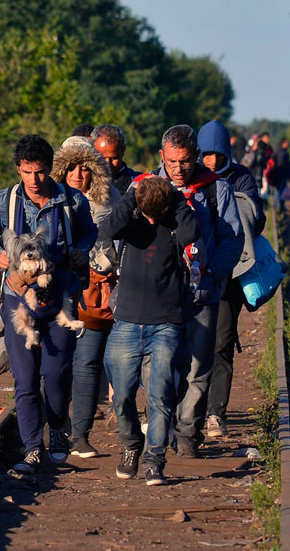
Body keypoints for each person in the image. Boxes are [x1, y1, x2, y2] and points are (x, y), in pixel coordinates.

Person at [0, 135, 97, 473]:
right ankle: (33, 447)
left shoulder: (71, 201)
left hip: (60, 298)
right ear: (19, 169)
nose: (34, 180)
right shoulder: (5, 202)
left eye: (41, 172)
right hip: (18, 303)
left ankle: (58, 431)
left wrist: (81, 250)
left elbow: (89, 233)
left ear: (50, 170)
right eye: (28, 172)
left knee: (56, 372)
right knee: (26, 379)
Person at [100, 176, 200, 485]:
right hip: (127, 321)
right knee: (122, 398)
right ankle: (131, 445)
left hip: (166, 323)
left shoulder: (174, 223)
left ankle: (154, 459)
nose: (153, 218)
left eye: (159, 211)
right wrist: (132, 197)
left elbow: (191, 234)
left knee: (160, 396)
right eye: (149, 212)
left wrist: (178, 201)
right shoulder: (130, 223)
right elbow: (106, 229)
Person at [152, 125, 244, 457]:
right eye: (173, 162)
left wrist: (212, 275)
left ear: (196, 157)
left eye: (186, 161)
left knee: (198, 365)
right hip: (159, 294)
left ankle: (188, 432)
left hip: (203, 292)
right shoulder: (148, 186)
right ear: (162, 156)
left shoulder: (217, 189)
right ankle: (162, 430)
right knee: (160, 363)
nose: (179, 169)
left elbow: (233, 238)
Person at [50, 136, 121, 459]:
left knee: (88, 361)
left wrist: (112, 268)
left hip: (97, 290)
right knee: (53, 364)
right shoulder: (48, 200)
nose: (78, 174)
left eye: (85, 167)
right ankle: (50, 429)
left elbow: (123, 240)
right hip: (55, 288)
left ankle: (80, 435)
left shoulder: (112, 199)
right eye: (71, 167)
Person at [198, 120, 266, 438]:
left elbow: (257, 217)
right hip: (195, 273)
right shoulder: (190, 175)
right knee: (191, 342)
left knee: (222, 342)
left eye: (217, 155)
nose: (211, 161)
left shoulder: (241, 176)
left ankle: (215, 413)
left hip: (231, 273)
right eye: (207, 155)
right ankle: (191, 410)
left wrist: (236, 205)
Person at [91, 123, 139, 193]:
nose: (108, 164)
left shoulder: (136, 183)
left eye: (114, 158)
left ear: (122, 152)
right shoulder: (83, 180)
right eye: (102, 158)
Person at [268, 138, 290, 211]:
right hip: (281, 176)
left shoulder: (278, 152)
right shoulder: (283, 153)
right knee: (280, 192)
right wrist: (287, 174)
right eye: (287, 142)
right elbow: (281, 165)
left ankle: (278, 208)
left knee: (278, 192)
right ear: (283, 143)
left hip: (277, 176)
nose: (288, 144)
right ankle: (278, 208)